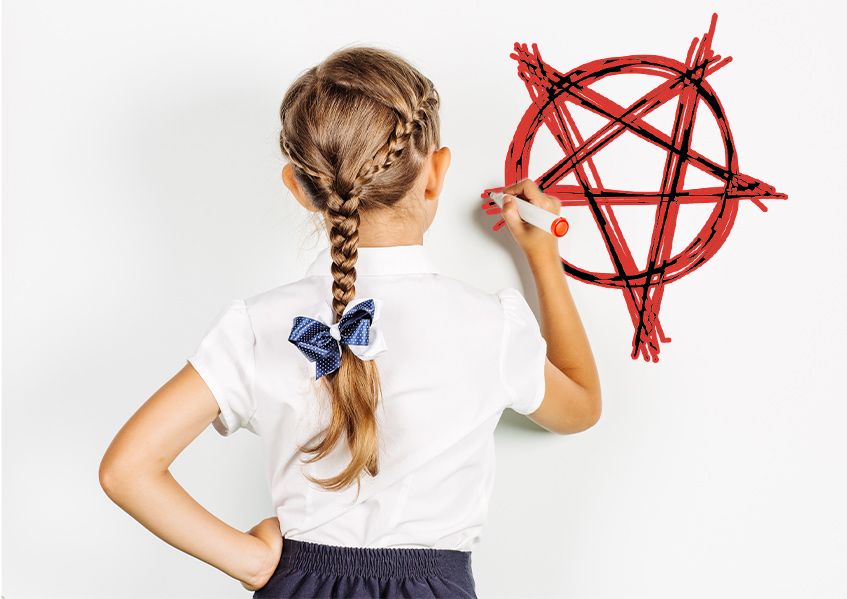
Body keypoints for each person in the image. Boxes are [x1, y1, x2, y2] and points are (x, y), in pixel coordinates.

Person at [99, 45, 601, 599]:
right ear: (435, 175)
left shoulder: (257, 327)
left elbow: (128, 470)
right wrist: (543, 259)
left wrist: (250, 562)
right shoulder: (489, 325)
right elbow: (579, 407)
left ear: (299, 188)